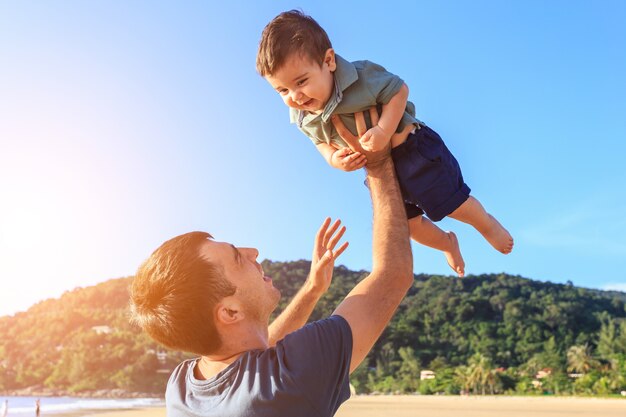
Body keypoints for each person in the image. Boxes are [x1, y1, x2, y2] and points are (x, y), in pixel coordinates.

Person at [130, 110, 414, 416]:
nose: (253, 252)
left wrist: (311, 289)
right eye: (238, 258)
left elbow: (255, 355)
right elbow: (392, 275)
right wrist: (379, 162)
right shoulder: (292, 378)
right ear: (228, 311)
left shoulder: (182, 389)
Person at [257, 10, 514, 277]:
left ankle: (486, 225)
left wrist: (383, 129)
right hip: (382, 173)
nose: (295, 97)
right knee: (408, 227)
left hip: (413, 152)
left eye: (301, 82)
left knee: (452, 203)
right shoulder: (302, 117)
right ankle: (447, 244)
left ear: (329, 61)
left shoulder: (361, 76)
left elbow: (398, 91)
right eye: (283, 91)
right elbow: (320, 143)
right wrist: (335, 160)